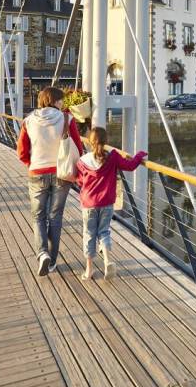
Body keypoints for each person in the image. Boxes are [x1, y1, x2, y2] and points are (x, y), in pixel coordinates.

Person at [17, 86, 84, 277]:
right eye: (61, 100)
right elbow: (78, 148)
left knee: (38, 216)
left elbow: (21, 151)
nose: (63, 103)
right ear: (54, 101)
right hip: (61, 173)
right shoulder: (67, 119)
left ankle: (42, 253)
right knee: (55, 217)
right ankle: (53, 261)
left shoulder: (28, 120)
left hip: (37, 172)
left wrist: (31, 164)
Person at [74, 126, 145, 280]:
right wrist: (139, 155)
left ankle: (89, 270)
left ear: (90, 142)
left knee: (89, 234)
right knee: (104, 232)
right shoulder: (113, 157)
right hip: (106, 203)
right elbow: (130, 166)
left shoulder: (83, 161)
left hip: (89, 204)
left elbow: (79, 180)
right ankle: (107, 262)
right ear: (106, 141)